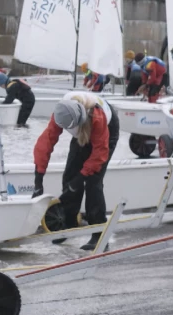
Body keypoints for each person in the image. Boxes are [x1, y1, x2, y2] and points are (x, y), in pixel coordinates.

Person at [32, 93, 119, 251]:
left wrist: (81, 178)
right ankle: (69, 223)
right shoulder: (61, 112)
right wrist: (38, 179)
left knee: (93, 183)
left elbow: (99, 155)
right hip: (84, 129)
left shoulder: (97, 117)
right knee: (69, 176)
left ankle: (98, 234)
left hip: (107, 131)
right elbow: (45, 143)